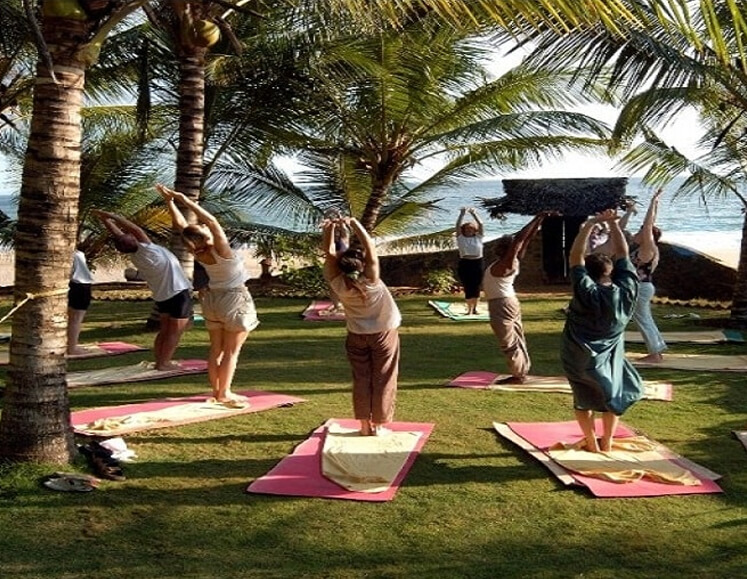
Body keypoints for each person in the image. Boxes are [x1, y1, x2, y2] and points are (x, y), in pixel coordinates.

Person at [157, 183, 259, 406]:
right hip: (233, 299)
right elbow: (211, 221)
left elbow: (182, 227)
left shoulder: (197, 251)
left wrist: (170, 202)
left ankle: (217, 391)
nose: (205, 226)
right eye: (203, 229)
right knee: (232, 351)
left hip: (212, 300)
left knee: (216, 350)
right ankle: (224, 393)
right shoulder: (221, 249)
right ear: (205, 236)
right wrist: (183, 200)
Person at [561, 209, 643, 453]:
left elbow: (575, 255)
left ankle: (592, 442)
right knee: (612, 396)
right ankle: (606, 441)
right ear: (610, 270)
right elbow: (623, 253)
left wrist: (589, 224)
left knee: (582, 397)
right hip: (610, 355)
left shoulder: (586, 290)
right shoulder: (627, 290)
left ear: (588, 272)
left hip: (577, 352)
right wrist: (613, 224)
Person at [322, 216, 402, 436]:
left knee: (362, 379)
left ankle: (364, 426)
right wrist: (353, 223)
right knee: (384, 378)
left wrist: (330, 228)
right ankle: (379, 425)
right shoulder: (371, 279)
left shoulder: (337, 282)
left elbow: (328, 253)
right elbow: (369, 245)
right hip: (383, 334)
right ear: (363, 264)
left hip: (356, 336)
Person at [93, 208, 192, 370]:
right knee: (174, 332)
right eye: (130, 237)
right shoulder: (147, 250)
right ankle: (164, 363)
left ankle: (160, 361)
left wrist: (106, 221)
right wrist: (112, 215)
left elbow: (121, 236)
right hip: (178, 294)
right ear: (132, 241)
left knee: (165, 330)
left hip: (163, 297)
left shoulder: (136, 255)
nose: (131, 235)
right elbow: (135, 229)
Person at [483, 213, 548, 384]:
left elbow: (519, 240)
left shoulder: (507, 264)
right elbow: (525, 240)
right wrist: (539, 220)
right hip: (508, 302)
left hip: (501, 304)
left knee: (508, 342)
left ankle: (518, 375)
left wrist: (538, 217)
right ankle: (521, 371)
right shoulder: (513, 261)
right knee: (516, 337)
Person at [629, 189, 667, 363]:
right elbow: (650, 226)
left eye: (640, 232)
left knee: (643, 319)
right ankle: (657, 350)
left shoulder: (647, 249)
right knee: (646, 318)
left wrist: (652, 202)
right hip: (644, 287)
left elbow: (648, 225)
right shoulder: (649, 250)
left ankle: (655, 354)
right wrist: (656, 203)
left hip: (641, 288)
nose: (636, 234)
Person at [455, 207, 484, 315]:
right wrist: (462, 214)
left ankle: (475, 308)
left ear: (474, 230)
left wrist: (474, 214)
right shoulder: (460, 238)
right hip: (465, 263)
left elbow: (481, 224)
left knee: (476, 286)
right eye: (467, 229)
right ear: (464, 230)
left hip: (477, 263)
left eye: (471, 229)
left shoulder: (478, 237)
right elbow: (457, 225)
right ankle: (469, 309)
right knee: (467, 286)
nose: (469, 230)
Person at [67, 248, 94, 355]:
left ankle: (70, 345)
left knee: (72, 317)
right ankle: (72, 348)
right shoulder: (71, 252)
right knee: (76, 318)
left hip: (76, 284)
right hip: (80, 285)